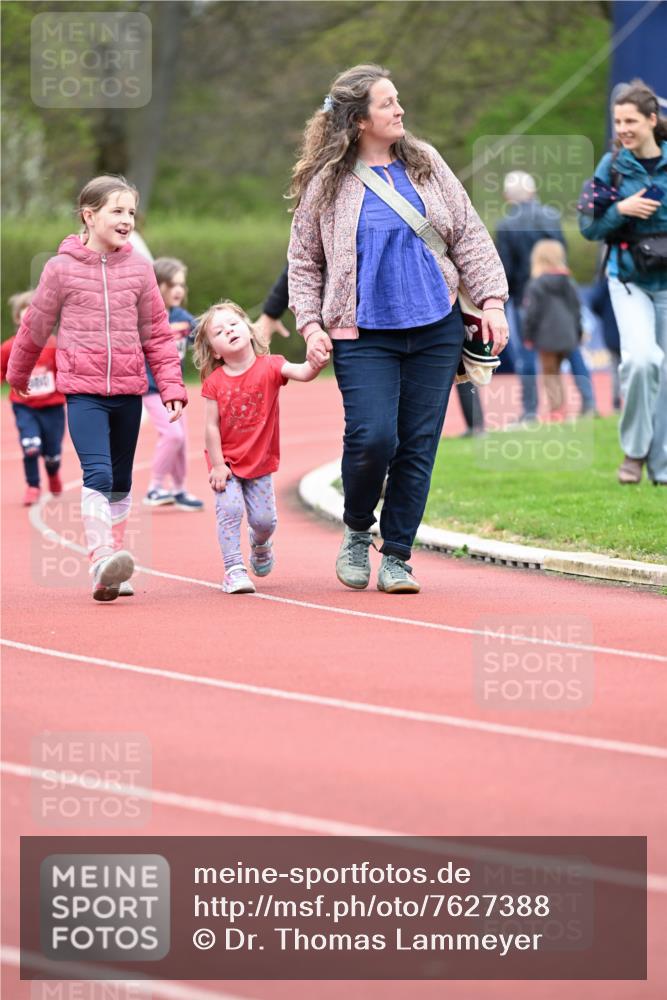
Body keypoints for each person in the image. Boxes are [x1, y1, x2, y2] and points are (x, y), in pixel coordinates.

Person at [287, 64, 508, 595]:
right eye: (388, 104)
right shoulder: (329, 182)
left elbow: (469, 235)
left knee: (417, 443)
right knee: (372, 437)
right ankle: (359, 528)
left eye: (398, 100)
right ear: (360, 120)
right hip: (362, 334)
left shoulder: (427, 163)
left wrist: (494, 302)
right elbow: (303, 260)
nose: (400, 110)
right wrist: (311, 323)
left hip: (436, 325)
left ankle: (399, 556)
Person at [6, 174, 187, 601]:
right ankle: (102, 555)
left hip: (129, 389)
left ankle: (113, 566)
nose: (127, 220)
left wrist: (171, 386)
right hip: (83, 391)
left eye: (131, 212)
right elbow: (35, 326)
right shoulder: (60, 269)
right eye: (117, 211)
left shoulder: (140, 270)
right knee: (99, 473)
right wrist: (18, 374)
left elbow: (158, 334)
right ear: (89, 215)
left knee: (121, 482)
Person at [259, 262, 485, 435]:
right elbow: (302, 263)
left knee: (419, 425)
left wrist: (486, 302)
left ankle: (476, 425)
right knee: (374, 428)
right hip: (364, 327)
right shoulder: (336, 207)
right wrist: (272, 312)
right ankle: (376, 470)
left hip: (432, 319)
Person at [193, 299, 323, 594]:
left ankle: (260, 543)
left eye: (234, 324)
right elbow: (211, 426)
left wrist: (315, 363)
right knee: (230, 509)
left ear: (250, 330)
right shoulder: (215, 382)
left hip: (261, 462)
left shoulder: (272, 366)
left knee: (264, 521)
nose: (229, 331)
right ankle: (234, 570)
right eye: (219, 331)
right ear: (215, 350)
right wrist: (216, 464)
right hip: (226, 463)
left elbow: (302, 372)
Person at [579, 78, 667, 485]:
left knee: (664, 373)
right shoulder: (611, 166)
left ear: (652, 120)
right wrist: (623, 209)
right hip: (627, 279)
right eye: (618, 121)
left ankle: (661, 465)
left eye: (630, 121)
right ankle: (634, 452)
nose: (623, 129)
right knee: (642, 360)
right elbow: (588, 226)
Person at [497, 171, 597, 421]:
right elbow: (562, 253)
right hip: (561, 292)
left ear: (508, 196)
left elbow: (506, 268)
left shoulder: (506, 226)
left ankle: (530, 411)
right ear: (532, 191)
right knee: (572, 348)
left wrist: (503, 299)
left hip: (524, 296)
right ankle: (589, 402)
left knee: (527, 355)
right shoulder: (551, 216)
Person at [142, 257, 203, 510]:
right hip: (151, 389)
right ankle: (154, 488)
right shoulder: (144, 317)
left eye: (182, 284)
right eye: (172, 283)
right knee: (172, 435)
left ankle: (179, 490)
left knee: (182, 440)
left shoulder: (182, 317)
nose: (178, 290)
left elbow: (204, 334)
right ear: (157, 286)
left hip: (174, 390)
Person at [1, 290, 66, 505]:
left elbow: (65, 372)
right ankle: (33, 485)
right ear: (18, 318)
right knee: (30, 446)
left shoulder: (54, 345)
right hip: (25, 407)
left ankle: (53, 473)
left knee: (52, 455)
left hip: (53, 408)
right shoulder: (9, 348)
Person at [522, 241, 583, 420]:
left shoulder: (536, 284)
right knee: (557, 372)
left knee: (549, 374)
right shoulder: (568, 282)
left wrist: (528, 336)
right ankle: (562, 407)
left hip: (545, 336)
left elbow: (531, 313)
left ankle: (556, 410)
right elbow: (577, 310)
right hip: (567, 335)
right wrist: (577, 332)